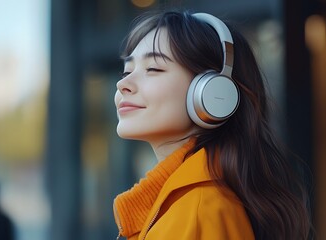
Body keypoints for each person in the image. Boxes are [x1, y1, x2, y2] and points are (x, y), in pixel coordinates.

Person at [113, 10, 312, 240]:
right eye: (127, 71)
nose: (123, 84)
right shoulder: (183, 205)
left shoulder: (200, 209)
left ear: (212, 92)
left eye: (153, 69)